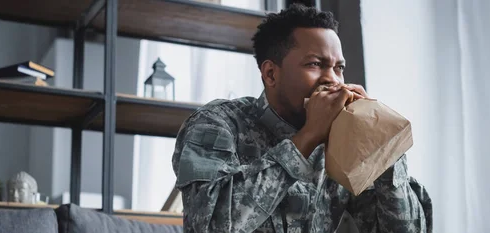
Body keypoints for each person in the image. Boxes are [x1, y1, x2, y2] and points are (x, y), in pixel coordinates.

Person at [171, 3, 432, 233]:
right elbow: (210, 225)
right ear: (271, 74)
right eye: (315, 64)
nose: (333, 79)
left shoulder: (342, 141)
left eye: (338, 67)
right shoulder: (217, 122)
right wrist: (306, 138)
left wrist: (383, 148)